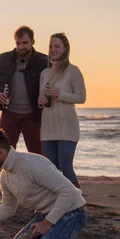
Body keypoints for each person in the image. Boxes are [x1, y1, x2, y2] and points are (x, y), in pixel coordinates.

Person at [38, 33, 86, 188]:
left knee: (65, 168)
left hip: (67, 129)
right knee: (52, 170)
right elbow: (41, 98)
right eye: (51, 46)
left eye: (57, 46)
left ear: (66, 49)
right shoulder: (44, 73)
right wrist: (40, 101)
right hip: (47, 128)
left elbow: (81, 97)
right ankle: (56, 204)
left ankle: (77, 205)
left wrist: (60, 94)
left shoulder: (73, 71)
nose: (53, 49)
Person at [0, 26, 47, 154]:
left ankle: (36, 175)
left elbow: (50, 85)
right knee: (4, 154)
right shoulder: (5, 59)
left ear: (33, 42)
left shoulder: (43, 60)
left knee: (38, 155)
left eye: (25, 43)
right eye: (18, 43)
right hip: (9, 113)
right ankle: (7, 175)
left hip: (33, 115)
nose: (21, 47)